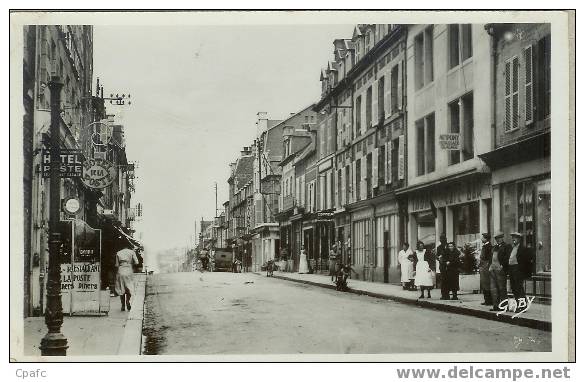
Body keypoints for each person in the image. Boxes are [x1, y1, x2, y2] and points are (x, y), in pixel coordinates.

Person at [508, 232, 534, 305]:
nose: (513, 239)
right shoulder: (512, 248)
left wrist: (524, 271)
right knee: (513, 288)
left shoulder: (523, 248)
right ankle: (519, 304)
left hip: (518, 269)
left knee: (518, 288)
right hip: (511, 269)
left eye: (515, 238)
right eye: (512, 237)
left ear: (519, 239)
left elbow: (528, 260)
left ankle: (522, 305)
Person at [489, 232, 511, 311]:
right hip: (493, 270)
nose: (498, 240)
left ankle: (504, 306)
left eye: (499, 238)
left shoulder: (506, 246)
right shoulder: (494, 247)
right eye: (496, 239)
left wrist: (503, 266)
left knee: (502, 289)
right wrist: (490, 267)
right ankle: (496, 305)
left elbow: (508, 257)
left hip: (500, 270)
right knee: (493, 289)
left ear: (502, 238)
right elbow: (490, 258)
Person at [115, 243, 139, 311]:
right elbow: (137, 262)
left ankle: (122, 305)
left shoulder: (118, 253)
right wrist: (131, 264)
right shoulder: (131, 252)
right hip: (128, 270)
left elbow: (116, 265)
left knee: (121, 288)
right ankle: (128, 301)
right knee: (129, 287)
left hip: (121, 270)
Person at [479, 233, 493, 306]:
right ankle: (486, 300)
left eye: (483, 238)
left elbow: (489, 258)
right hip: (483, 266)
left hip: (486, 266)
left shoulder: (489, 246)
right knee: (484, 283)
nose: (481, 239)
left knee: (487, 283)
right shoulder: (485, 246)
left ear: (486, 239)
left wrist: (487, 266)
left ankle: (489, 300)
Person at [435, 234, 450, 299]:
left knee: (448, 280)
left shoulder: (449, 246)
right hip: (442, 266)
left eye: (444, 239)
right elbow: (437, 256)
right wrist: (439, 259)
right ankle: (443, 294)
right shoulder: (439, 247)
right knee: (443, 280)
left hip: (449, 265)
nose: (442, 240)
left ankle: (448, 294)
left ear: (446, 239)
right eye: (441, 239)